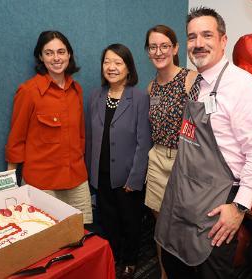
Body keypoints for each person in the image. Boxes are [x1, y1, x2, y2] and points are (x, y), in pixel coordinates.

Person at [155, 7, 252, 279]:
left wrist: (240, 208)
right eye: (192, 37)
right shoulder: (197, 84)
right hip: (181, 200)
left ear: (223, 40)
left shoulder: (241, 86)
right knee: (175, 267)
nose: (198, 43)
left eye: (207, 35)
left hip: (215, 206)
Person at [5, 30, 92, 224]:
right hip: (41, 184)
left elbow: (80, 135)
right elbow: (16, 140)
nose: (56, 58)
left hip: (76, 179)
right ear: (40, 57)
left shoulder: (76, 89)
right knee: (47, 241)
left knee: (81, 234)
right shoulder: (28, 91)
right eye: (49, 53)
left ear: (69, 54)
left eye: (61, 52)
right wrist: (10, 186)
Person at [85, 43, 152, 279]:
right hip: (101, 174)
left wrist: (135, 178)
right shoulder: (95, 96)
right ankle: (113, 256)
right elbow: (90, 137)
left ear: (128, 67)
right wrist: (89, 173)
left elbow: (144, 143)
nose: (111, 67)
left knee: (130, 221)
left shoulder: (140, 97)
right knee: (108, 220)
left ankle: (130, 260)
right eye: (107, 62)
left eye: (118, 62)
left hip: (127, 176)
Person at [144, 24, 197, 279]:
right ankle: (165, 273)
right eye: (153, 47)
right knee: (160, 225)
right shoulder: (151, 88)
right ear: (147, 52)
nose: (159, 51)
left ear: (175, 48)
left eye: (165, 46)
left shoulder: (190, 79)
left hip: (183, 160)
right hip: (157, 158)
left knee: (184, 224)